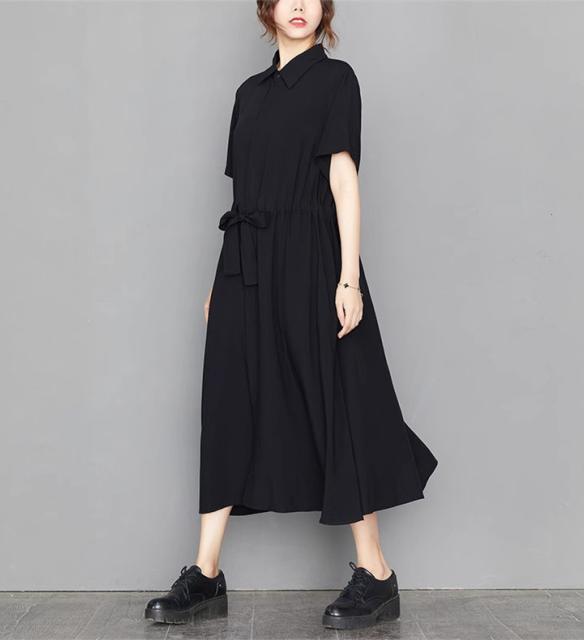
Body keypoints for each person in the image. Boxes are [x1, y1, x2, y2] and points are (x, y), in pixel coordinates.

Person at [145, 0, 438, 631]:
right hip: (244, 264)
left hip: (311, 258)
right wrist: (218, 282)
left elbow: (343, 180)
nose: (298, 5)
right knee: (228, 403)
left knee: (336, 402)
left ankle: (376, 573)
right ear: (267, 8)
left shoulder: (336, 80)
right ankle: (205, 572)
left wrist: (348, 276)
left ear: (324, 9)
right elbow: (243, 194)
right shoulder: (248, 94)